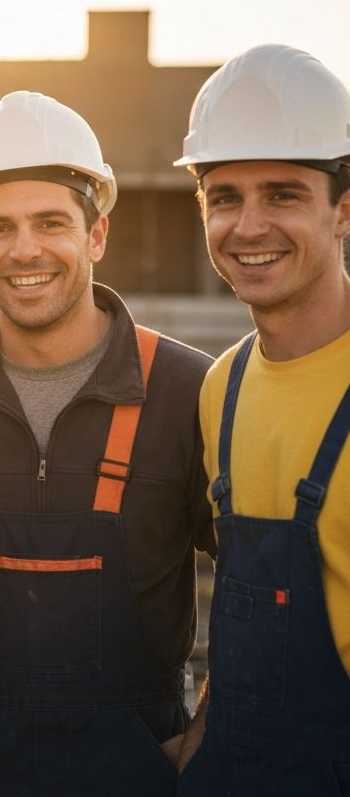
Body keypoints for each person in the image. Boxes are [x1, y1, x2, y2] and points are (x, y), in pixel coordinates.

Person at [0, 91, 215, 797]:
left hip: (141, 775)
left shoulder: (190, 392)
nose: (24, 250)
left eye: (50, 223)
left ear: (97, 235)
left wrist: (205, 740)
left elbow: (253, 579)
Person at [173, 44, 350, 794]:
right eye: (224, 197)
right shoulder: (224, 388)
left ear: (343, 208)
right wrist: (203, 740)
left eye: (282, 195)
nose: (248, 227)